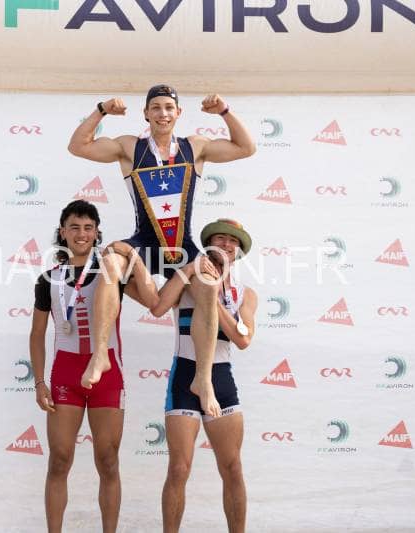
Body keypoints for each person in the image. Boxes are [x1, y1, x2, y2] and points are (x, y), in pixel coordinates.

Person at [67, 84, 256, 418]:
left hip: (182, 246)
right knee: (110, 263)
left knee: (208, 284)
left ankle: (203, 379)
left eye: (169, 107)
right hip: (145, 240)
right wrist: (102, 110)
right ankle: (100, 354)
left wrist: (224, 111)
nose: (163, 113)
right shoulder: (130, 147)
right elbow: (78, 146)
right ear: (146, 113)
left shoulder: (195, 147)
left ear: (178, 113)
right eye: (155, 107)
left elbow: (246, 147)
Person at [29, 200, 156, 533]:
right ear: (62, 232)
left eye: (88, 227)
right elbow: (37, 334)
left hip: (108, 375)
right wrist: (39, 383)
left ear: (97, 232)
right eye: (74, 227)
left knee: (108, 461)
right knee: (59, 460)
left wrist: (133, 257)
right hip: (66, 376)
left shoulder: (112, 271)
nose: (81, 234)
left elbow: (154, 302)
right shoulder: (48, 279)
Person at [150, 218, 258, 533]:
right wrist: (189, 271)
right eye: (220, 238)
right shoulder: (188, 278)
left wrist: (210, 296)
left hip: (221, 379)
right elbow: (158, 308)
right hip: (184, 376)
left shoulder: (246, 294)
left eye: (232, 241)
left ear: (238, 251)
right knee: (179, 468)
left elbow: (243, 340)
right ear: (209, 244)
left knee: (232, 467)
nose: (226, 244)